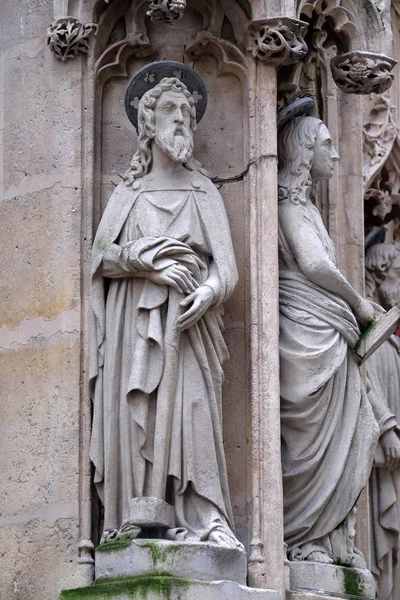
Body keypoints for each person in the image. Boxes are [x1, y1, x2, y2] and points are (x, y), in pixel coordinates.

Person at [89, 72, 240, 549]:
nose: (182, 120)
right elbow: (100, 257)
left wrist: (209, 292)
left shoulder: (204, 192)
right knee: (142, 415)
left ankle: (205, 518)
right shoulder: (128, 194)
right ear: (147, 123)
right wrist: (151, 264)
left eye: (188, 114)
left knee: (192, 412)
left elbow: (228, 269)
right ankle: (136, 510)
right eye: (172, 111)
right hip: (136, 322)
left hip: (190, 327)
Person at [278, 114, 380, 566]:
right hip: (305, 331)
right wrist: (358, 303)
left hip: (328, 329)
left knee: (356, 427)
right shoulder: (287, 204)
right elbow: (315, 265)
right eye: (325, 145)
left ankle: (336, 538)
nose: (335, 154)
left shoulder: (309, 207)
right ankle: (303, 535)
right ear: (303, 151)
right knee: (308, 437)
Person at [366, 242, 400, 600]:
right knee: (380, 543)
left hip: (394, 456)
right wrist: (388, 427)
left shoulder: (391, 336)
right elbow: (363, 380)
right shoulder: (370, 324)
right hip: (379, 453)